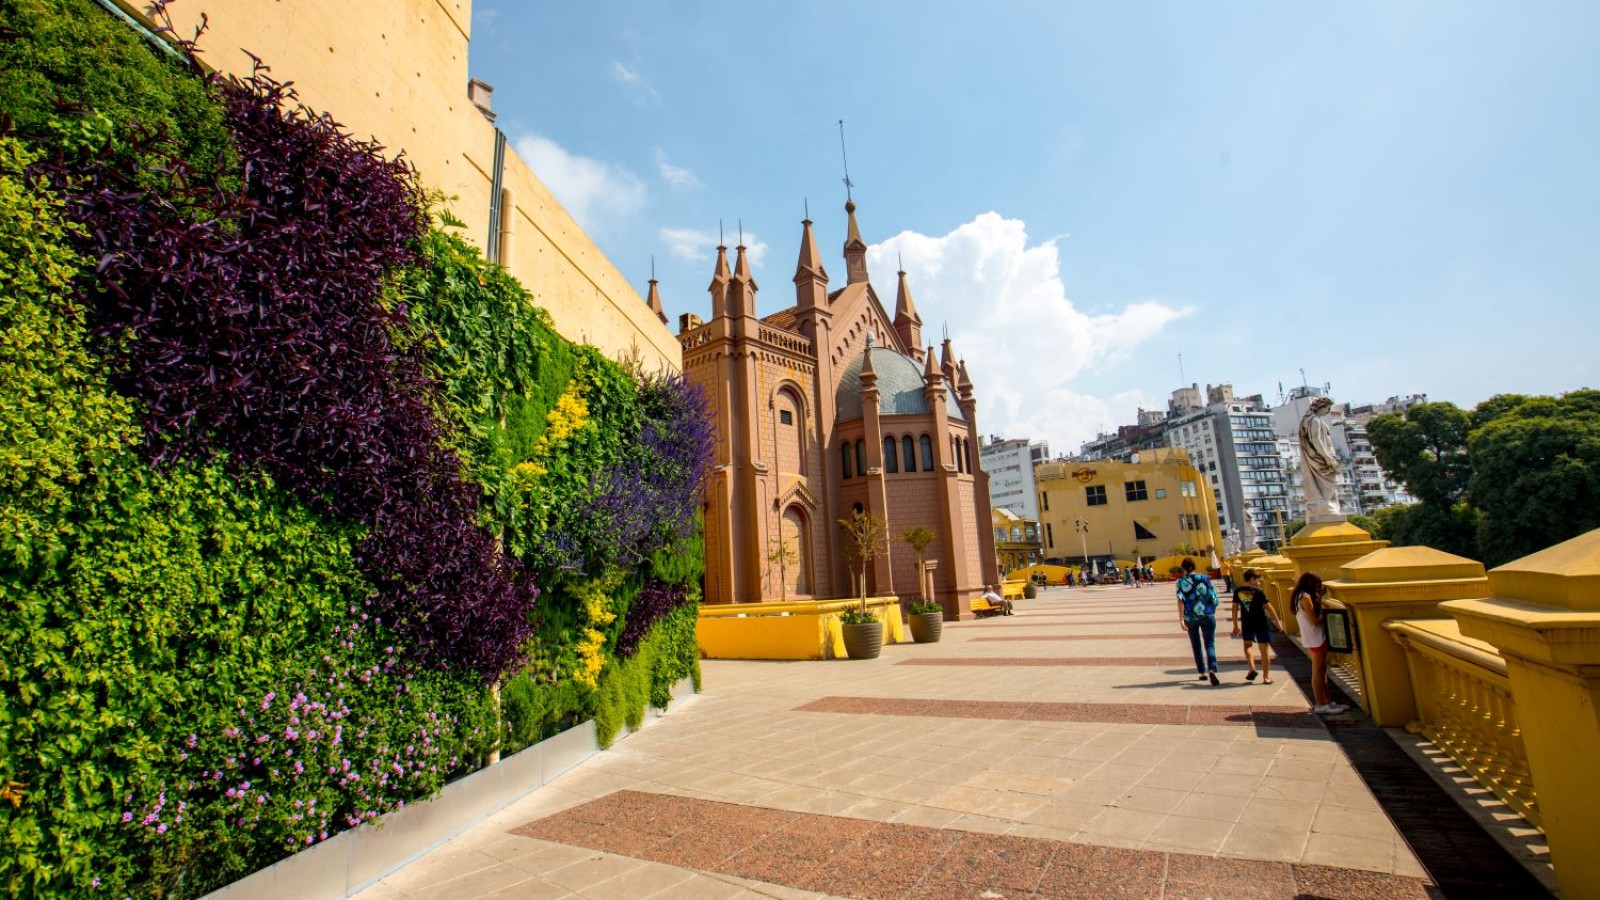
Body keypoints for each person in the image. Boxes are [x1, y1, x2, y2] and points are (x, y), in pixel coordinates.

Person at [1291, 572, 1347, 715]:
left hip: (1312, 638)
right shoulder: (1305, 598)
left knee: (1322, 671)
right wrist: (1329, 614)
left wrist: (1320, 598)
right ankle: (1320, 704)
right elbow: (1314, 621)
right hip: (1316, 637)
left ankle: (1327, 701)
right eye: (1317, 585)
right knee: (1318, 672)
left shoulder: (1300, 596)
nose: (1319, 588)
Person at [1229, 569, 1282, 683]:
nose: (1259, 581)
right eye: (1258, 579)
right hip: (1261, 622)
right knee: (1264, 649)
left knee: (1247, 645)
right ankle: (1266, 677)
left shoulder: (1238, 591)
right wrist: (1278, 623)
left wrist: (1235, 625)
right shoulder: (1258, 591)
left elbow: (1234, 608)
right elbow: (1269, 608)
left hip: (1247, 622)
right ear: (1252, 579)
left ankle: (1252, 667)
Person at [1175, 557, 1220, 685]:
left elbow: (1180, 600)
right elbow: (1213, 596)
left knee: (1196, 645)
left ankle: (1202, 673)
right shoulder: (1204, 578)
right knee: (1210, 643)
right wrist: (1213, 610)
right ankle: (1212, 669)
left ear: (1183, 568)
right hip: (1207, 614)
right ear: (1194, 566)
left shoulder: (1180, 582)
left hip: (1191, 617)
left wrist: (1181, 619)